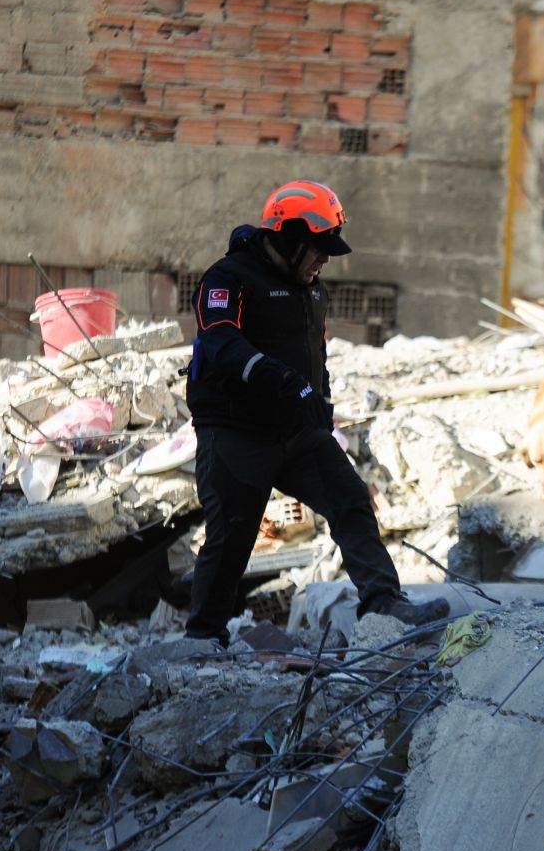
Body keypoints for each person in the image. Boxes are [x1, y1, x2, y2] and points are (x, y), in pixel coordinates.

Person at [183, 179, 449, 645]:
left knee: (351, 500)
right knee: (231, 539)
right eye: (319, 249)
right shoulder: (228, 278)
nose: (325, 259)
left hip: (297, 433)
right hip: (236, 432)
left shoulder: (313, 290)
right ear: (290, 238)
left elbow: (315, 356)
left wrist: (321, 403)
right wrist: (281, 379)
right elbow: (220, 341)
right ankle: (203, 639)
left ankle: (384, 604)